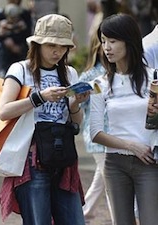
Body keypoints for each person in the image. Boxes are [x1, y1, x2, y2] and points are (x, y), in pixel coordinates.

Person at [0, 14, 89, 225]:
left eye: (63, 46)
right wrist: (40, 97)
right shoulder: (20, 69)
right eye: (51, 45)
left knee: (74, 219)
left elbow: (76, 122)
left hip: (63, 155)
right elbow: (4, 111)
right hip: (32, 157)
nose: (57, 51)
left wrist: (76, 103)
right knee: (38, 220)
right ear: (38, 44)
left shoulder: (70, 73)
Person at [90, 13, 158, 225]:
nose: (107, 47)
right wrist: (131, 146)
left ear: (129, 41)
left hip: (149, 162)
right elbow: (95, 133)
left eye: (113, 41)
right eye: (103, 41)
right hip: (115, 164)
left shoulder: (154, 78)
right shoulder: (99, 84)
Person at [79, 30, 113, 224]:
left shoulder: (119, 72)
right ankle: (118, 216)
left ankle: (85, 214)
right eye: (104, 42)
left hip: (115, 135)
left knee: (102, 177)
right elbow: (76, 104)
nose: (109, 47)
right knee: (109, 180)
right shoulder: (90, 75)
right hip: (97, 135)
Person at [0, 0, 32, 77]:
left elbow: (28, 33)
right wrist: (7, 42)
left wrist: (18, 46)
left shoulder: (25, 14)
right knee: (3, 78)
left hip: (21, 53)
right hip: (6, 56)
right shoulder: (0, 16)